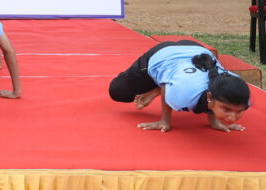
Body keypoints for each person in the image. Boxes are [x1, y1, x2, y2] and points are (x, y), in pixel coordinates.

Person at [108, 40, 251, 133]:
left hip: (198, 51)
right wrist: (165, 120)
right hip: (164, 54)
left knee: (177, 82)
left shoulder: (242, 96)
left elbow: (217, 97)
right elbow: (167, 86)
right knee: (118, 92)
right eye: (226, 109)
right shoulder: (184, 94)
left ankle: (161, 84)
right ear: (210, 97)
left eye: (239, 111)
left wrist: (214, 121)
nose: (232, 118)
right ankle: (155, 86)